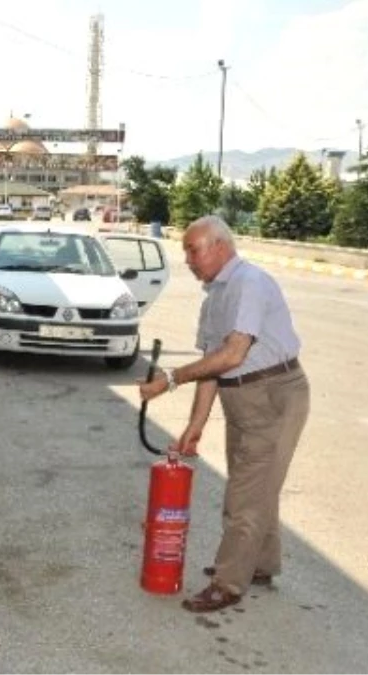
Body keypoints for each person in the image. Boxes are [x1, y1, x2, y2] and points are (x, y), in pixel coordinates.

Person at [138, 215, 310, 613]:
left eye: (192, 250)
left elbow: (233, 354)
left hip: (273, 395)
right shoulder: (215, 295)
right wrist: (194, 427)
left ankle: (229, 583)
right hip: (244, 399)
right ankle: (261, 565)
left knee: (245, 497)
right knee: (255, 485)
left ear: (220, 246)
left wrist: (170, 378)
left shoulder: (249, 284)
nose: (188, 260)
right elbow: (213, 367)